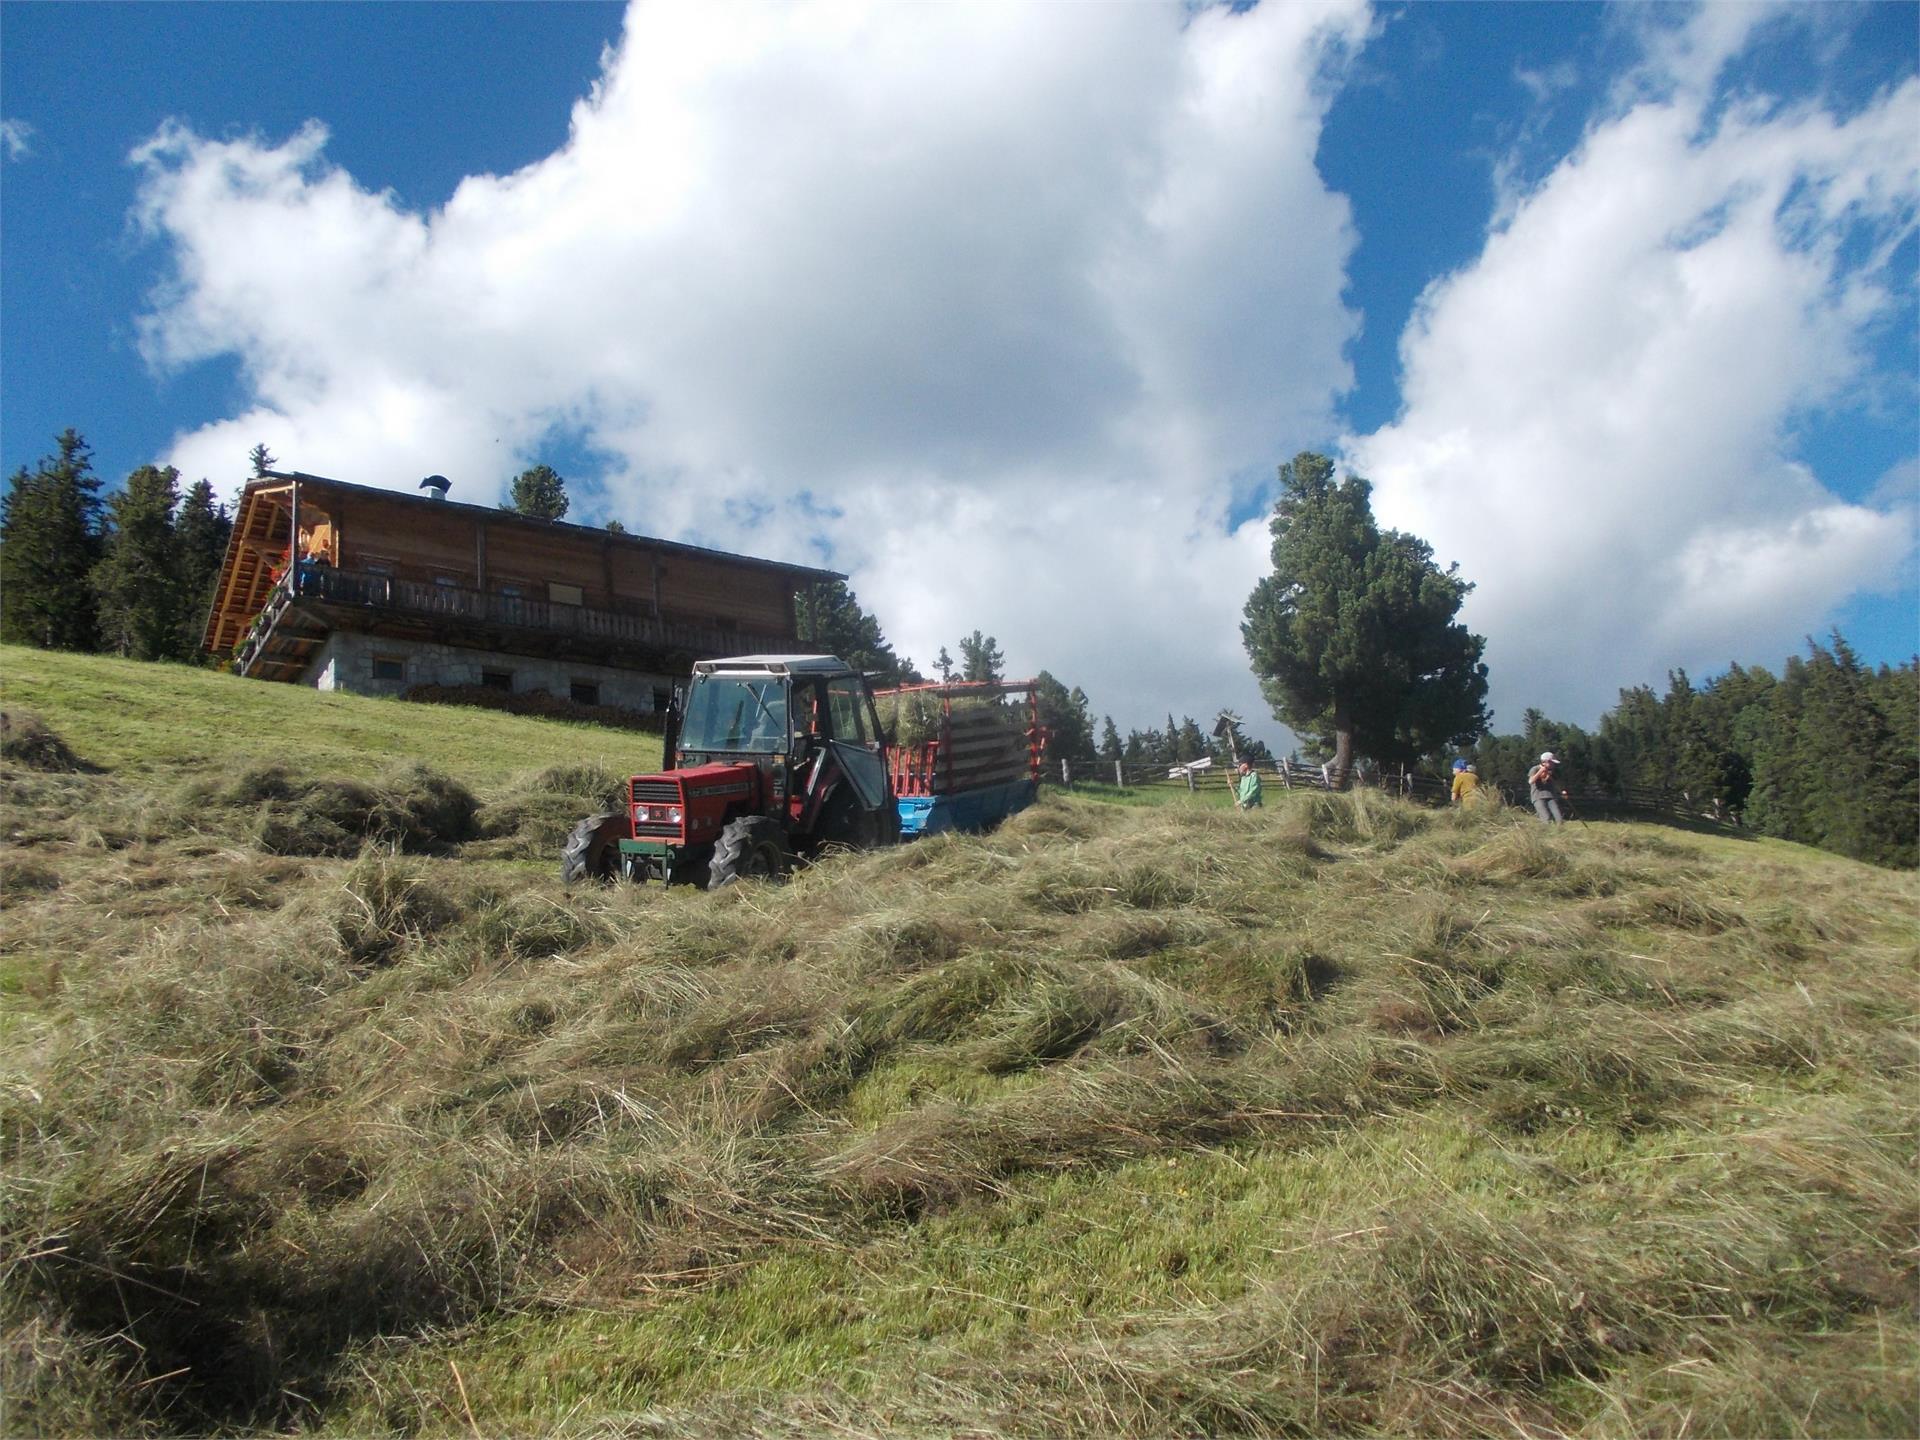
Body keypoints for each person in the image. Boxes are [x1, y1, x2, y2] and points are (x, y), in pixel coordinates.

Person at [1528, 751, 1568, 824]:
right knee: (1546, 818)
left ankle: (1560, 833)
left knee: (1559, 818)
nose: (1553, 764)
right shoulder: (1535, 769)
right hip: (1538, 796)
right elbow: (1531, 781)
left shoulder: (1553, 771)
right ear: (1545, 762)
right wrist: (1540, 771)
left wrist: (1562, 791)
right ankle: (1546, 833)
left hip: (1551, 796)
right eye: (1552, 762)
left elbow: (1557, 782)